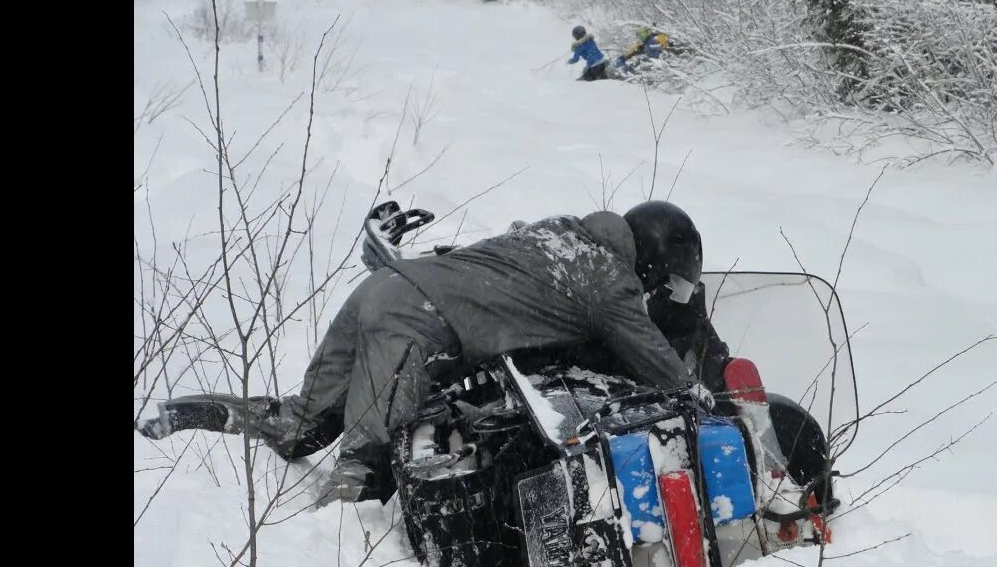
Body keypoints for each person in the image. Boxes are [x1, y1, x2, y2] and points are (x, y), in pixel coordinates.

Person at [137, 201, 712, 506]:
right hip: (414, 324)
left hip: (382, 290)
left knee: (300, 428)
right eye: (668, 284)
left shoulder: (559, 231)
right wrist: (704, 397)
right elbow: (655, 360)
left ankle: (186, 412)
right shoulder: (608, 282)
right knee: (365, 473)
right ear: (654, 265)